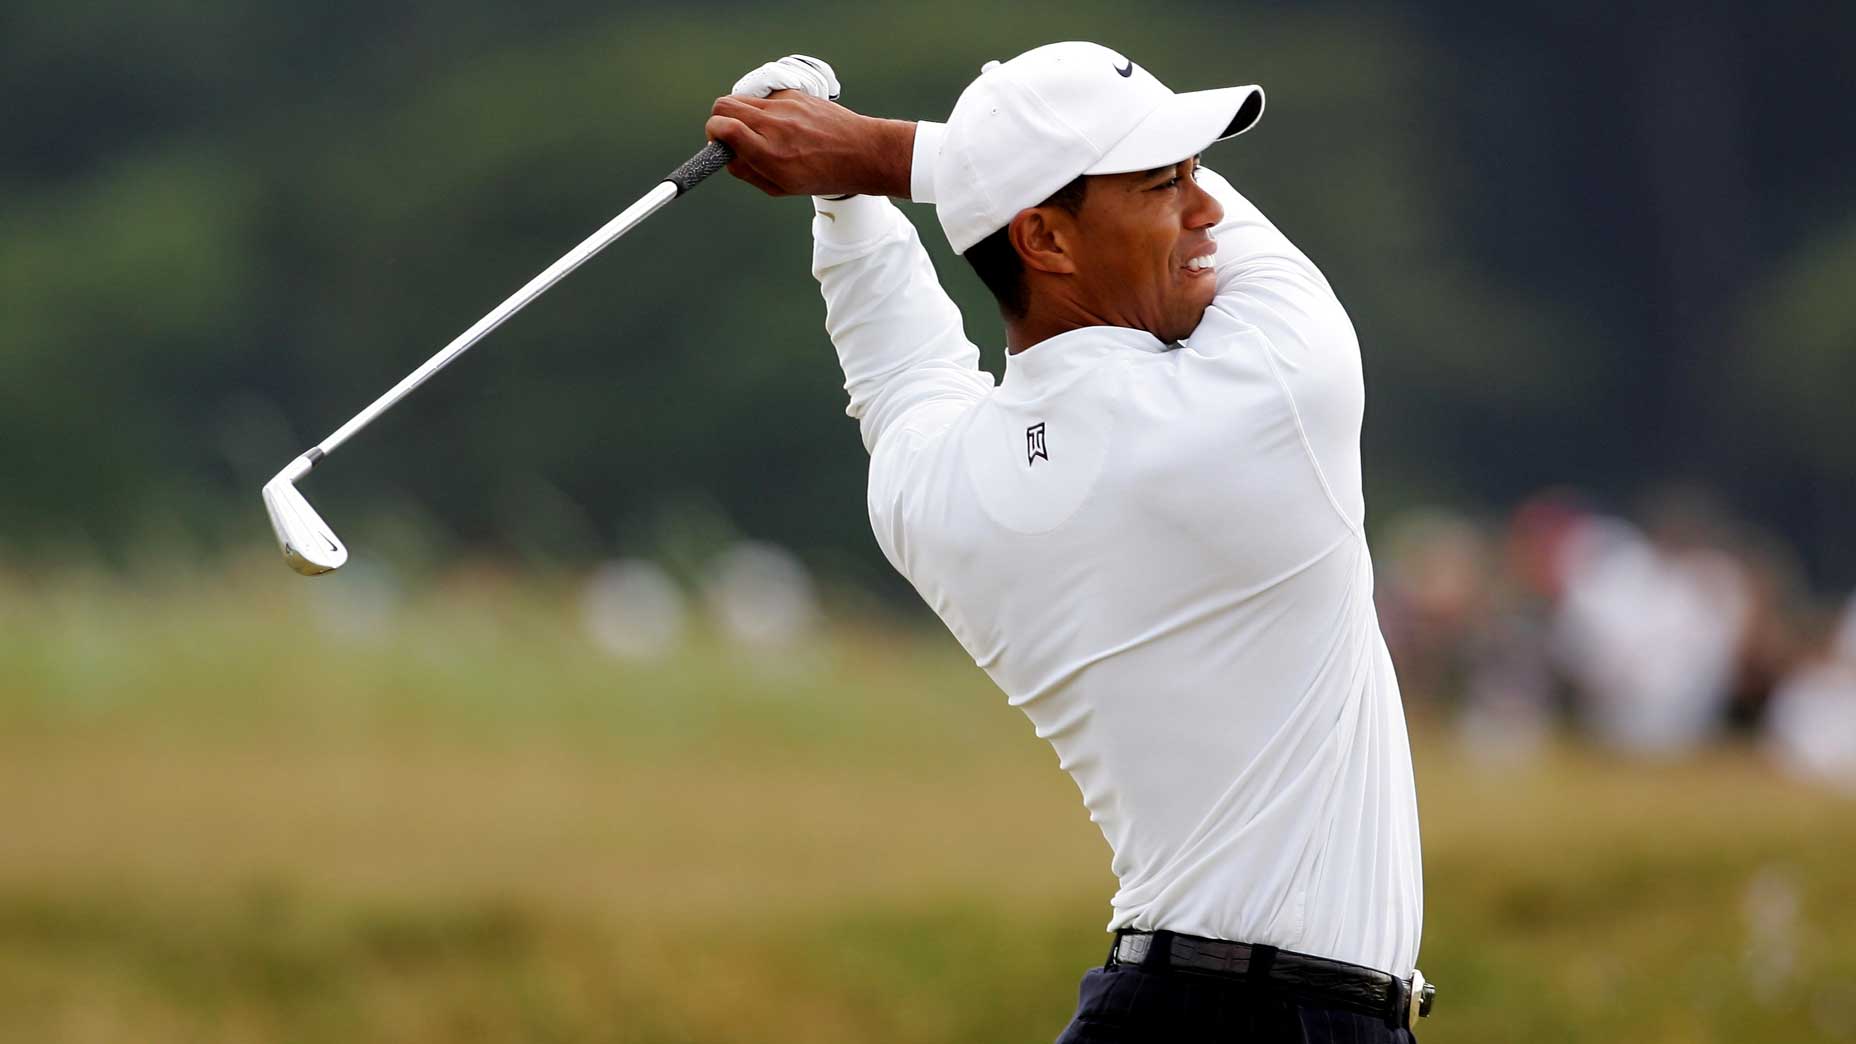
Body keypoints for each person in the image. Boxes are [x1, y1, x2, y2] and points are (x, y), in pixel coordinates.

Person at [707, 44, 1431, 1041]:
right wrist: (863, 161)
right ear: (1043, 238)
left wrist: (842, 196)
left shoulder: (931, 488)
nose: (1205, 209)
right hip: (1289, 1021)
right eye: (1161, 181)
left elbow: (897, 365)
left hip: (1156, 1009)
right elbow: (904, 337)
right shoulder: (1271, 391)